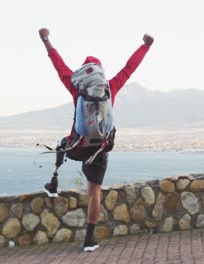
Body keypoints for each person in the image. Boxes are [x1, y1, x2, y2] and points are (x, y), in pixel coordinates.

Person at [38, 28, 154, 252]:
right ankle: (89, 240)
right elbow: (130, 68)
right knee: (95, 193)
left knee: (61, 145)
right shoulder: (110, 87)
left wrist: (46, 40)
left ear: (85, 73)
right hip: (100, 149)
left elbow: (58, 65)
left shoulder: (76, 87)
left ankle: (53, 184)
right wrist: (145, 46)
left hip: (78, 145)